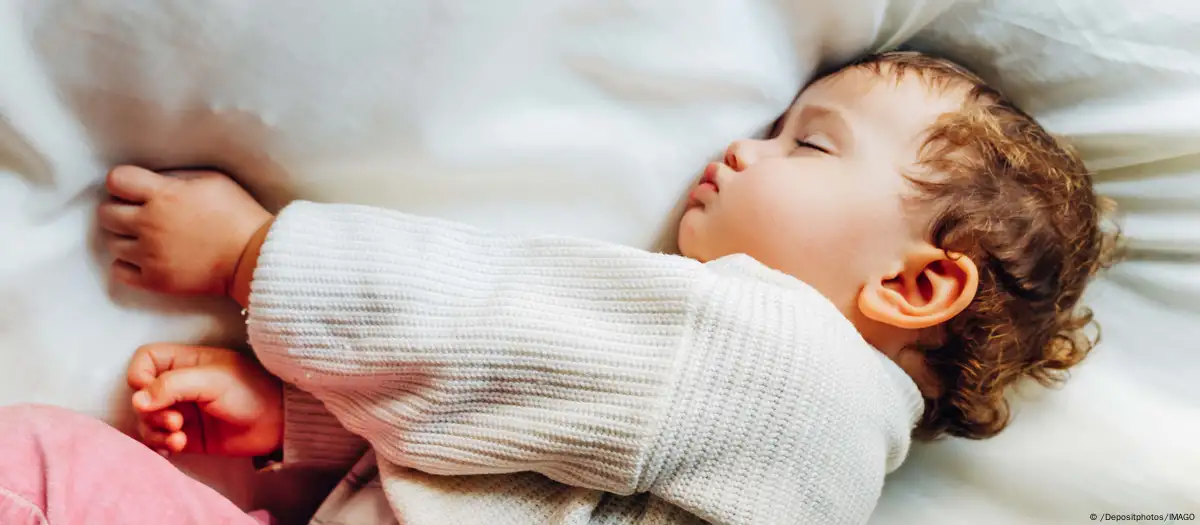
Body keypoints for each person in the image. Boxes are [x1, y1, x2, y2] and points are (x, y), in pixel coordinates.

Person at [1, 51, 1115, 525]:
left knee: (37, 467)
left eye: (809, 149)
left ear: (916, 282)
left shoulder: (770, 356)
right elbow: (528, 458)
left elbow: (488, 327)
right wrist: (294, 423)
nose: (746, 150)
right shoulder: (805, 463)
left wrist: (253, 256)